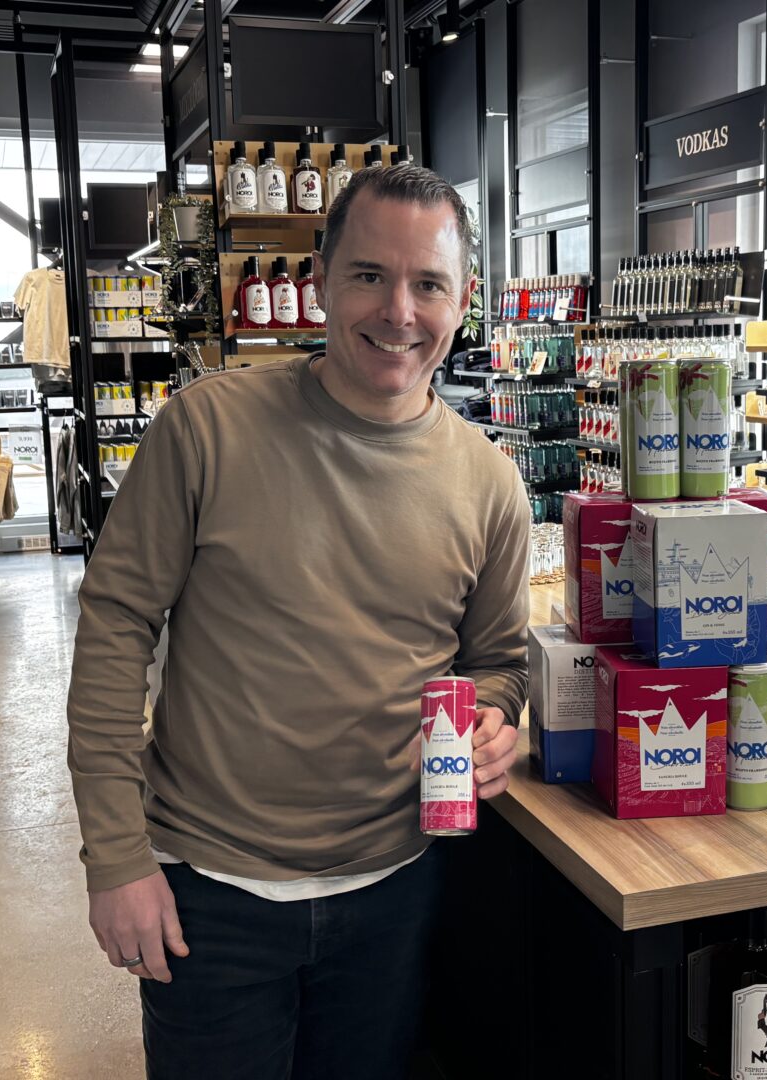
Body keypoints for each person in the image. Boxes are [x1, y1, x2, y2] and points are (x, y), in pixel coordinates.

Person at [66, 162, 530, 1080]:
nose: (398, 312)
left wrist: (493, 724)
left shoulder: (489, 482)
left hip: (395, 890)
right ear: (321, 282)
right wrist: (115, 858)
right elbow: (116, 629)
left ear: (463, 298)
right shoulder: (207, 429)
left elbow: (498, 663)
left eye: (428, 283)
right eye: (369, 275)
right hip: (213, 893)